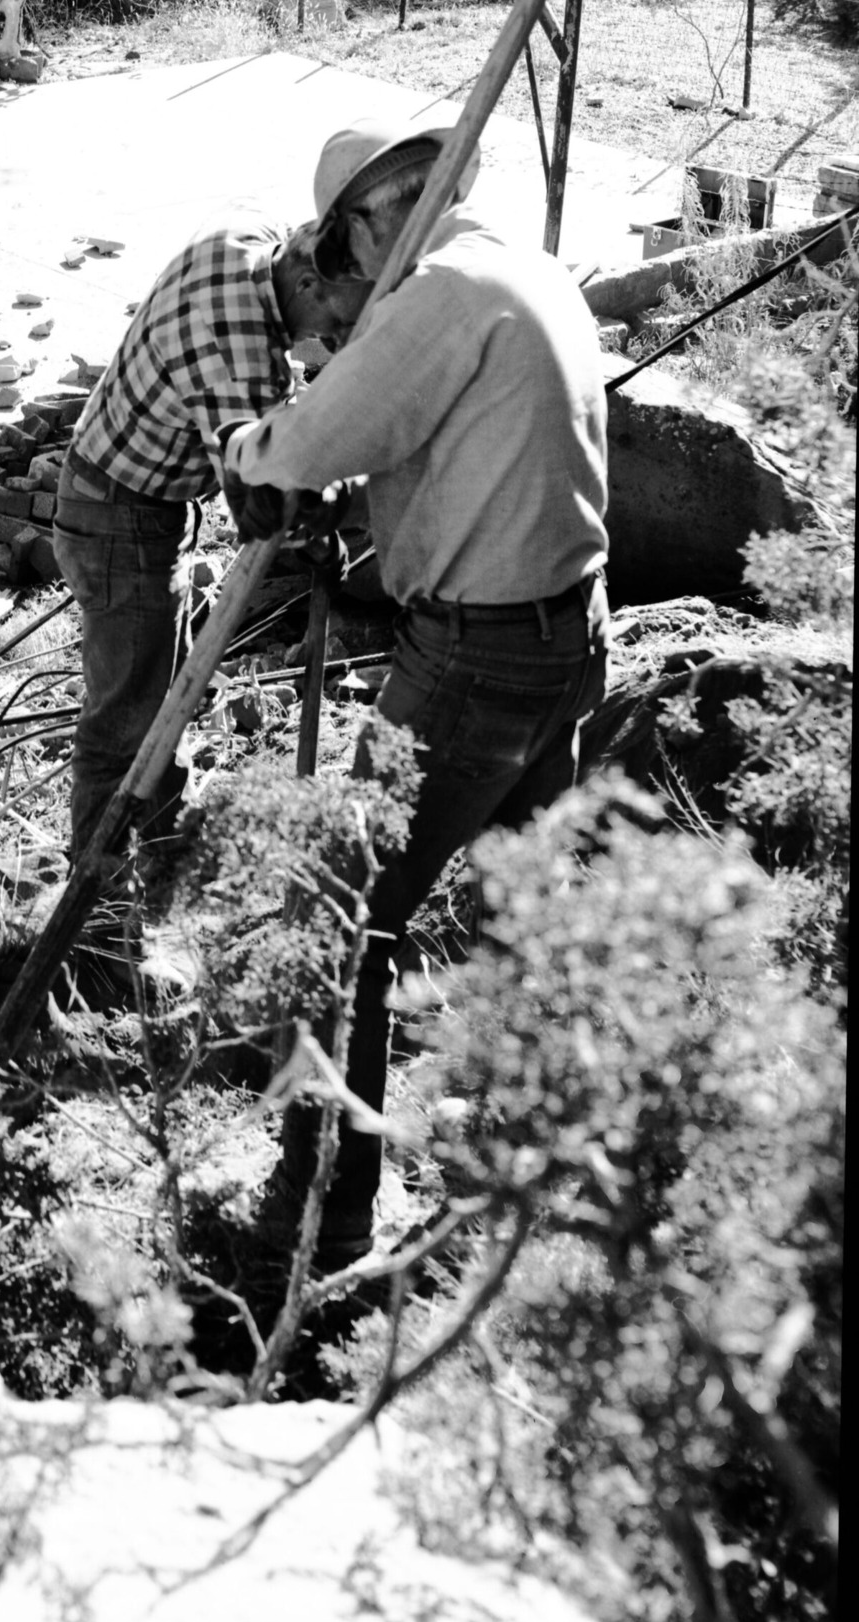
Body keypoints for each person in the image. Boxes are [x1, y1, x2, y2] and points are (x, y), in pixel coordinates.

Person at [220, 116, 611, 1273]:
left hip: (477, 657)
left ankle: (321, 1216)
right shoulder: (521, 265)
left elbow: (310, 441)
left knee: (327, 925)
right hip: (565, 637)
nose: (343, 276)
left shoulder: (439, 288)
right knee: (523, 918)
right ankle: (549, 1179)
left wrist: (249, 452)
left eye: (344, 248)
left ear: (377, 214)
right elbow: (448, 447)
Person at [54, 206, 370, 895]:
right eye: (341, 319)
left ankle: (169, 848)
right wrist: (332, 505)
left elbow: (272, 412)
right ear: (311, 283)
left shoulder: (251, 243)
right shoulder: (240, 353)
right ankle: (97, 901)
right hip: (117, 519)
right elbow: (263, 499)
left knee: (158, 692)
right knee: (125, 716)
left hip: (119, 490)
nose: (341, 336)